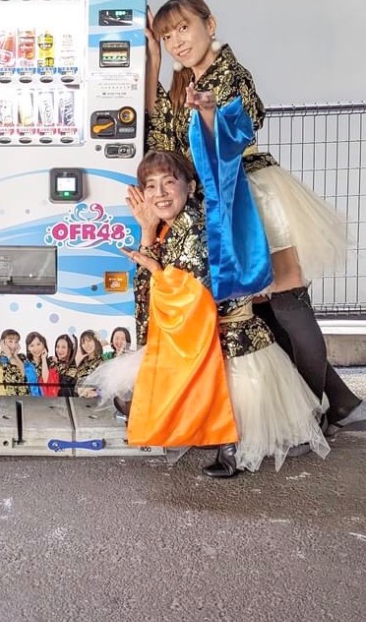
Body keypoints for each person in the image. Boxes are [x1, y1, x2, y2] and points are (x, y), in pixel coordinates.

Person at [145, 0, 364, 432]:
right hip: (219, 204)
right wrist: (152, 58)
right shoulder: (184, 78)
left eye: (183, 28)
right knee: (259, 310)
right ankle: (338, 402)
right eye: (168, 35)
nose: (176, 41)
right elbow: (162, 133)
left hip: (254, 197)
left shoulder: (229, 73)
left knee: (287, 302)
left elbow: (240, 128)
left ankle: (310, 411)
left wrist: (208, 113)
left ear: (210, 23)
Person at [97, 152, 329, 476]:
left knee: (209, 400)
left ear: (190, 187)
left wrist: (152, 263)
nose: (160, 193)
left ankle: (231, 450)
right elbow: (150, 293)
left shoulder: (195, 225)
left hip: (229, 342)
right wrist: (148, 234)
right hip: (200, 337)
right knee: (142, 395)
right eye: (150, 186)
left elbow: (191, 296)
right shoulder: (171, 224)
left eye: (168, 183)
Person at [23, 332, 60, 397]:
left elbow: (46, 381)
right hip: (29, 401)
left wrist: (43, 359)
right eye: (32, 345)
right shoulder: (25, 364)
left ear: (43, 345)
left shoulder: (51, 363)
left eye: (38, 344)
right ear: (28, 348)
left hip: (47, 401)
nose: (36, 348)